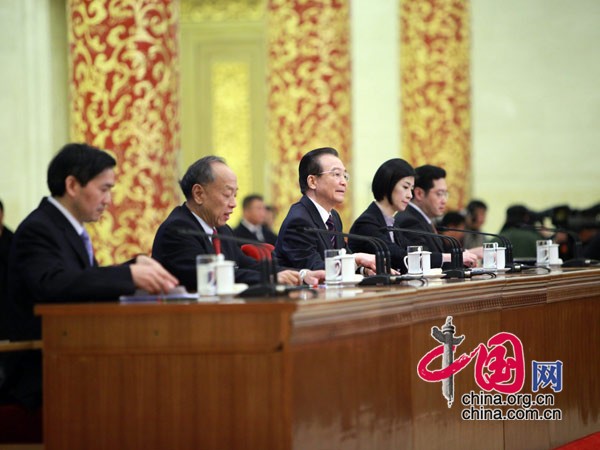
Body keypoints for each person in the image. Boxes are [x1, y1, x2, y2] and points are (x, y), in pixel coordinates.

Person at [1, 143, 178, 408]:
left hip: (70, 354)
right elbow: (55, 284)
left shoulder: (66, 228)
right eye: (104, 189)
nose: (109, 200)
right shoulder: (38, 229)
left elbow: (82, 278)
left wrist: (133, 265)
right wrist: (128, 276)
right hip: (41, 367)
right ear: (73, 186)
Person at [152, 156, 323, 290]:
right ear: (198, 193)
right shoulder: (178, 230)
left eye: (235, 195)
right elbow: (211, 278)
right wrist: (269, 279)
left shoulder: (222, 230)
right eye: (227, 195)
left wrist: (301, 274)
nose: (233, 203)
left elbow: (249, 265)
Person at [274, 147, 376, 272]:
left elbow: (343, 257)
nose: (344, 182)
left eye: (345, 175)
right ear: (312, 181)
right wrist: (355, 259)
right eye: (336, 174)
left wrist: (364, 270)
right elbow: (315, 269)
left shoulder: (333, 217)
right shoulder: (298, 221)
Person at [348, 158, 442, 273]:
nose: (409, 195)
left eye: (411, 189)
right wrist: (448, 257)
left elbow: (412, 251)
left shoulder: (392, 222)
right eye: (405, 187)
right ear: (388, 184)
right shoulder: (367, 222)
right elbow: (396, 255)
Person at [393, 165, 478, 267]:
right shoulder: (409, 221)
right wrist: (462, 258)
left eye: (445, 194)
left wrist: (471, 253)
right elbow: (425, 262)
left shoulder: (423, 219)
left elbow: (441, 252)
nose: (444, 200)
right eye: (439, 194)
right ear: (419, 193)